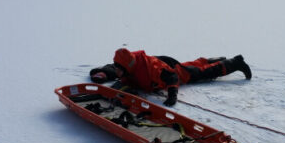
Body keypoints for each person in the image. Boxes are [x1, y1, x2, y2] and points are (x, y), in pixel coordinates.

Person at [89, 48, 252, 106]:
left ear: (126, 67)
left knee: (198, 73)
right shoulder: (126, 64)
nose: (116, 73)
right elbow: (114, 67)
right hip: (164, 62)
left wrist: (172, 95)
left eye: (118, 70)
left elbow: (172, 77)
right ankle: (208, 60)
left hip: (169, 68)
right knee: (189, 66)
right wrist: (102, 72)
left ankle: (234, 63)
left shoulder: (152, 68)